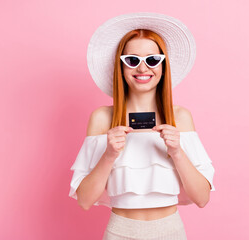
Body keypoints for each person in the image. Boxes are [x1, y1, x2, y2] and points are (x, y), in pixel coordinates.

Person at [69, 12, 216, 240]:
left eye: (152, 60)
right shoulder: (102, 119)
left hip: (171, 232)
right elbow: (85, 200)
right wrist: (109, 155)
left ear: (163, 66)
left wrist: (177, 152)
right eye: (132, 60)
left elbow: (202, 198)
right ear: (121, 67)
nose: (142, 68)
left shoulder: (180, 117)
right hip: (120, 232)